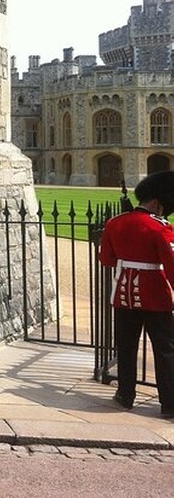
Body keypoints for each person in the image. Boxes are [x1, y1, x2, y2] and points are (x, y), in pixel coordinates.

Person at [99, 170, 174, 419]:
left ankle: (125, 394)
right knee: (165, 350)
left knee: (126, 347)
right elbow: (172, 266)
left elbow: (107, 259)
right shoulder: (160, 228)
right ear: (158, 201)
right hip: (155, 296)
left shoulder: (115, 223)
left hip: (123, 295)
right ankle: (169, 403)